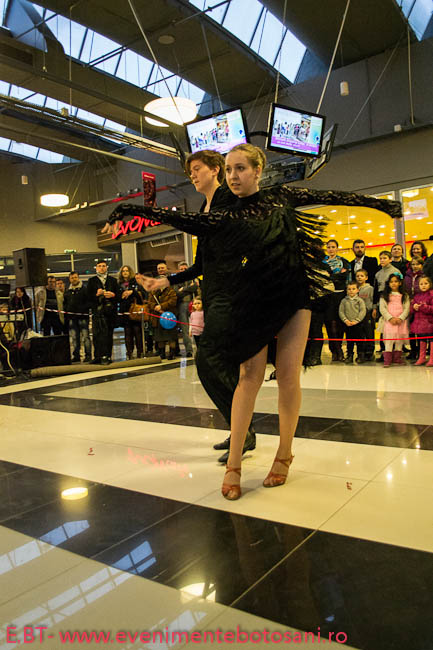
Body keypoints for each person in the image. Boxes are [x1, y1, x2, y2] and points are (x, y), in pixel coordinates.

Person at [108, 143, 402, 500]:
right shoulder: (227, 213)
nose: (233, 176)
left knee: (288, 377)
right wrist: (134, 209)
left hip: (293, 295)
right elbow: (191, 225)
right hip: (253, 301)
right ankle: (235, 462)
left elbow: (331, 195)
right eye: (230, 169)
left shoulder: (281, 196)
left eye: (240, 168)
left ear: (258, 171)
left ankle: (284, 454)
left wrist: (382, 206)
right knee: (249, 377)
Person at [323, 239, 351, 362]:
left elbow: (344, 276)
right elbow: (323, 277)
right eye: (329, 247)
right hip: (327, 296)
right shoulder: (322, 262)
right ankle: (334, 351)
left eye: (333, 247)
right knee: (330, 324)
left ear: (337, 248)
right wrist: (337, 275)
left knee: (340, 324)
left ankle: (339, 350)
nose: (331, 249)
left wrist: (331, 276)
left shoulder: (344, 262)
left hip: (341, 296)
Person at [87, 261, 119, 364]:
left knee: (108, 335)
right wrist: (96, 295)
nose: (101, 268)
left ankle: (107, 356)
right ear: (96, 268)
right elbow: (88, 298)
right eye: (99, 266)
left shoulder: (113, 280)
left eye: (103, 266)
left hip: (110, 312)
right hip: (97, 313)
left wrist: (113, 295)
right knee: (97, 335)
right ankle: (97, 356)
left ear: (107, 267)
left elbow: (119, 296)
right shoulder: (92, 281)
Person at [379, 274, 410, 367]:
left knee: (399, 340)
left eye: (396, 281)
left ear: (400, 283)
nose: (393, 283)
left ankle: (397, 358)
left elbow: (407, 308)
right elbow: (382, 308)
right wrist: (390, 318)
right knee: (389, 339)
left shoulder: (405, 296)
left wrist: (401, 318)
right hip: (389, 322)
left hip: (401, 321)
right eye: (391, 282)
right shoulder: (384, 296)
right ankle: (387, 360)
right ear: (388, 283)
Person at [118, 265, 147, 360]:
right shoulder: (119, 284)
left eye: (127, 271)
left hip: (135, 311)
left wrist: (132, 292)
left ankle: (140, 351)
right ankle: (129, 352)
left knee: (137, 332)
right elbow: (117, 297)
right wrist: (121, 295)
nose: (125, 272)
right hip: (125, 311)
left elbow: (142, 295)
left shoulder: (136, 283)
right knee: (127, 333)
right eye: (123, 271)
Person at [64, 271, 91, 362]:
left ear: (78, 278)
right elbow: (65, 304)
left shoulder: (85, 290)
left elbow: (89, 302)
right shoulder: (67, 292)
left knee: (86, 337)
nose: (74, 279)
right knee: (74, 338)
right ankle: (76, 356)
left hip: (83, 318)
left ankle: (88, 355)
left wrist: (82, 310)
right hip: (72, 318)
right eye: (72, 278)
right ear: (69, 279)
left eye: (75, 277)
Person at [147, 282, 177, 360]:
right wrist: (155, 307)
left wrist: (162, 306)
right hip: (157, 317)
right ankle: (162, 353)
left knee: (171, 337)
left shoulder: (171, 291)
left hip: (169, 317)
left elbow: (173, 301)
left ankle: (172, 353)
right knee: (160, 337)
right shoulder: (153, 292)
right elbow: (149, 303)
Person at [174, 261, 197, 358]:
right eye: (181, 269)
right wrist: (189, 288)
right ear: (178, 270)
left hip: (194, 305)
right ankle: (189, 350)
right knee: (185, 329)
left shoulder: (192, 278)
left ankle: (199, 348)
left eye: (185, 269)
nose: (183, 270)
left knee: (197, 327)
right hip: (182, 305)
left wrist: (183, 289)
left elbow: (195, 287)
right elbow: (177, 293)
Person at [339, 281, 366, 363]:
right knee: (349, 341)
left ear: (357, 290)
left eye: (353, 289)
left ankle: (360, 355)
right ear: (346, 290)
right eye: (349, 289)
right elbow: (341, 311)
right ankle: (350, 355)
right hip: (348, 324)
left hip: (358, 324)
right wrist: (345, 320)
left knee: (359, 341)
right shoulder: (344, 301)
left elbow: (363, 311)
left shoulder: (360, 301)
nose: (351, 291)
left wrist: (357, 320)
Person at [410, 275, 433, 366]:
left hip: (430, 323)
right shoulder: (417, 296)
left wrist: (423, 307)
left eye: (426, 283)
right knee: (421, 340)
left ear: (430, 284)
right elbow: (411, 310)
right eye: (421, 284)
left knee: (431, 340)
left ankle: (432, 358)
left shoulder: (431, 295)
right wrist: (414, 307)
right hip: (419, 324)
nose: (423, 285)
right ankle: (422, 357)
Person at [355, 269, 375, 361]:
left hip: (368, 313)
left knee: (369, 333)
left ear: (366, 278)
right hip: (357, 314)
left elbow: (373, 300)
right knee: (359, 334)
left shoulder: (370, 289)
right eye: (358, 276)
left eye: (362, 276)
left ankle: (369, 353)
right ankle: (360, 353)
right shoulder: (354, 289)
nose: (359, 278)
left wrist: (374, 309)